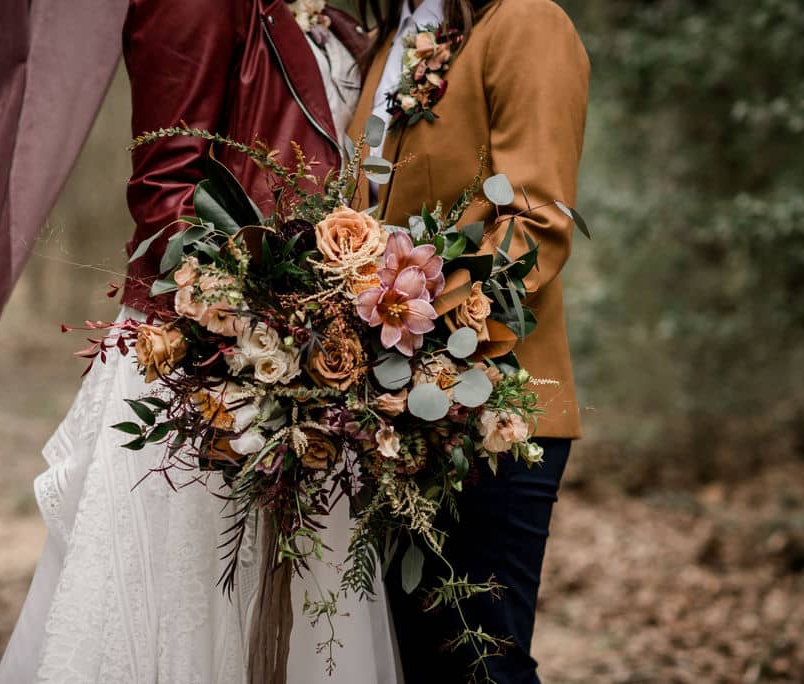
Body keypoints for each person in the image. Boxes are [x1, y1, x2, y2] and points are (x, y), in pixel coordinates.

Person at [0, 1, 401, 682]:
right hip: (212, 361)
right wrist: (242, 332)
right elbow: (164, 186)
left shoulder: (336, 18)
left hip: (307, 355)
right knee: (192, 602)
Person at [348, 0, 589, 681]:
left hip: (495, 410)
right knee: (420, 666)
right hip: (389, 414)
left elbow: (534, 223)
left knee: (481, 667)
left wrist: (417, 329)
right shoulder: (396, 34)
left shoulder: (526, 22)